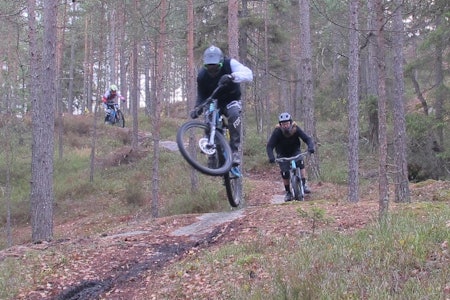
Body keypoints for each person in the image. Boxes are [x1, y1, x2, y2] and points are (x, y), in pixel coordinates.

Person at [190, 45, 253, 166]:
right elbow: (201, 95)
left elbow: (249, 74)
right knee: (209, 118)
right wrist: (197, 108)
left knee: (234, 114)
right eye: (209, 67)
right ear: (205, 65)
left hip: (231, 99)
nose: (212, 71)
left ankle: (234, 151)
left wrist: (232, 76)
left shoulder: (230, 64)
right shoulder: (202, 75)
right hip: (215, 102)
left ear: (221, 62)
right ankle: (212, 153)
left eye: (216, 67)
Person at [267, 112, 315, 201]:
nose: (285, 126)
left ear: (290, 122)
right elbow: (270, 146)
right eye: (283, 124)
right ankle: (288, 192)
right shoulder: (277, 132)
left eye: (287, 123)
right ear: (280, 124)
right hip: (282, 154)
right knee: (285, 173)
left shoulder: (295, 129)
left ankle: (304, 185)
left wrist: (311, 147)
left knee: (300, 164)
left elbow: (307, 138)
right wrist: (271, 157)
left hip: (295, 151)